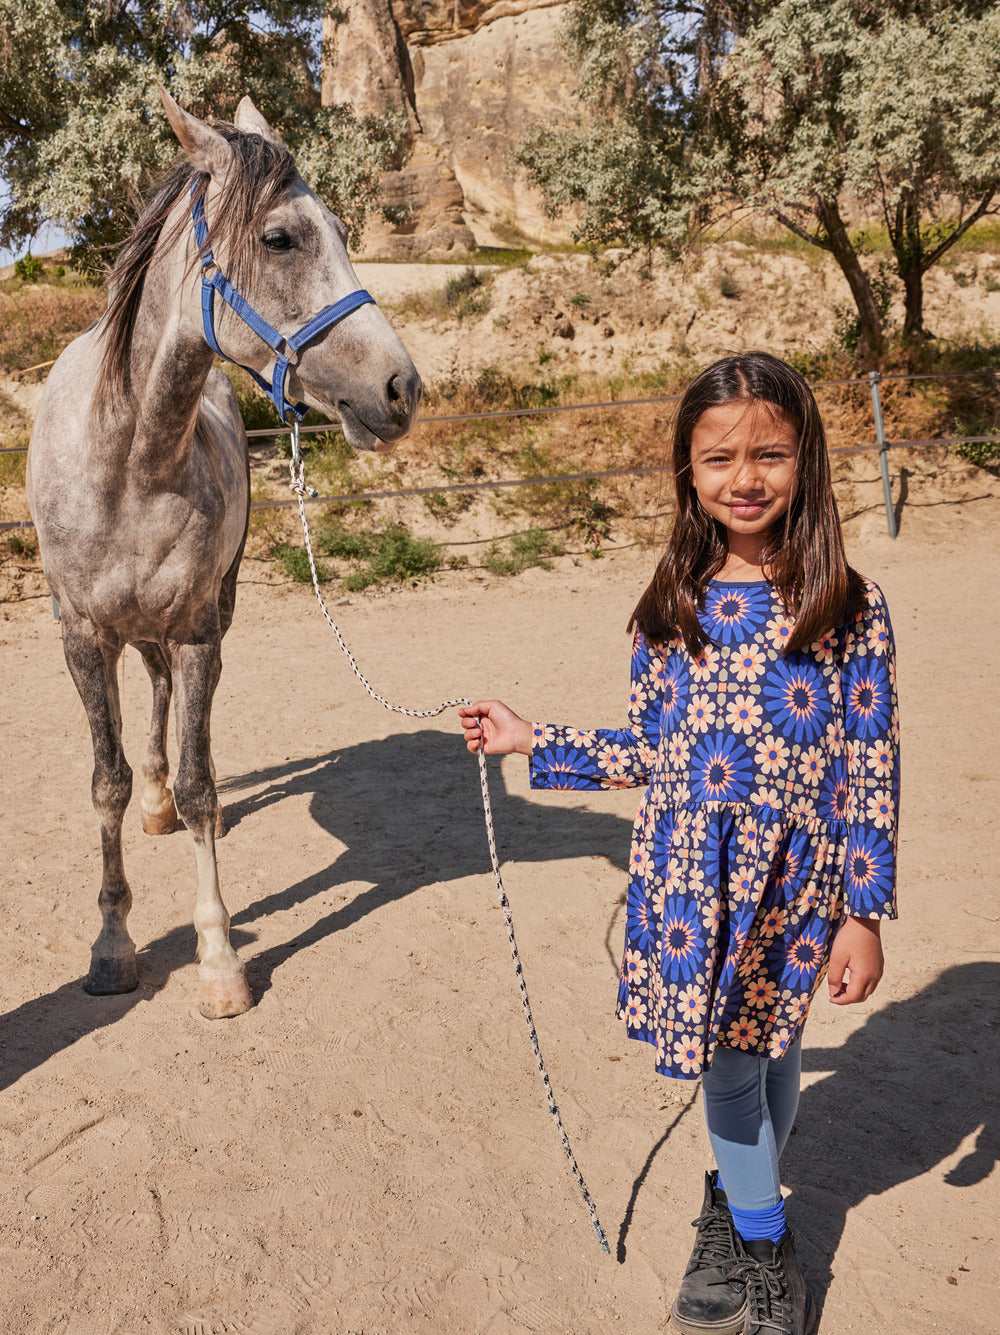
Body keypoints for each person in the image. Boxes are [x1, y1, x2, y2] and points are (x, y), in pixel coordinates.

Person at [459, 352, 899, 1335]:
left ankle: (736, 1214)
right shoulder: (670, 610)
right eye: (719, 459)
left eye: (770, 453)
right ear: (687, 474)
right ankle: (762, 1240)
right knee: (730, 1066)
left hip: (795, 882)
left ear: (807, 461)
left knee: (771, 1048)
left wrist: (860, 916)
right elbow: (655, 755)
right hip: (689, 883)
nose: (745, 477)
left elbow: (870, 768)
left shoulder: (849, 610)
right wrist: (538, 740)